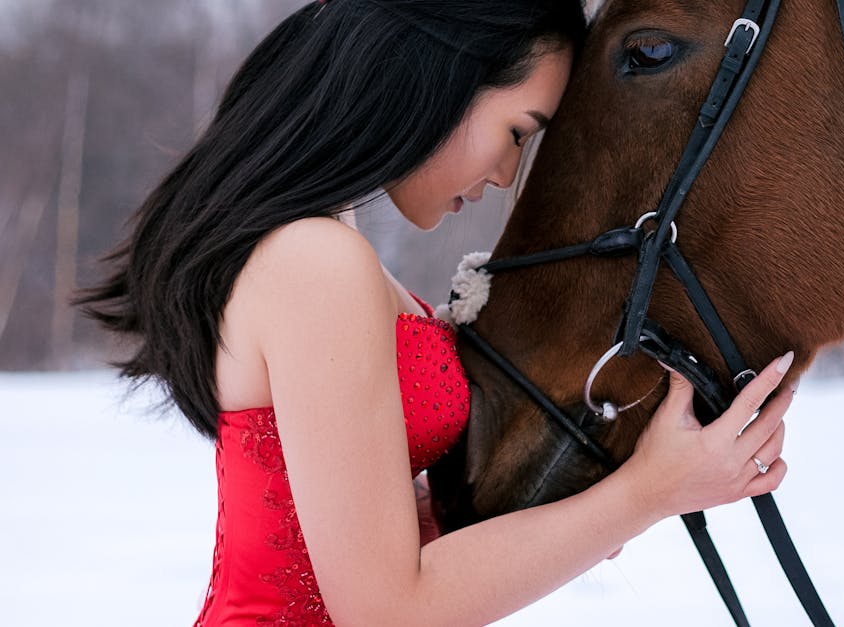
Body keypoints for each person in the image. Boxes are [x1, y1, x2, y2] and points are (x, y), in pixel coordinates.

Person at [76, 1, 793, 624]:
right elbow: (387, 610)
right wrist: (649, 492)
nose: (506, 175)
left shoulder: (322, 250)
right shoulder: (316, 262)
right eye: (518, 132)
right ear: (441, 77)